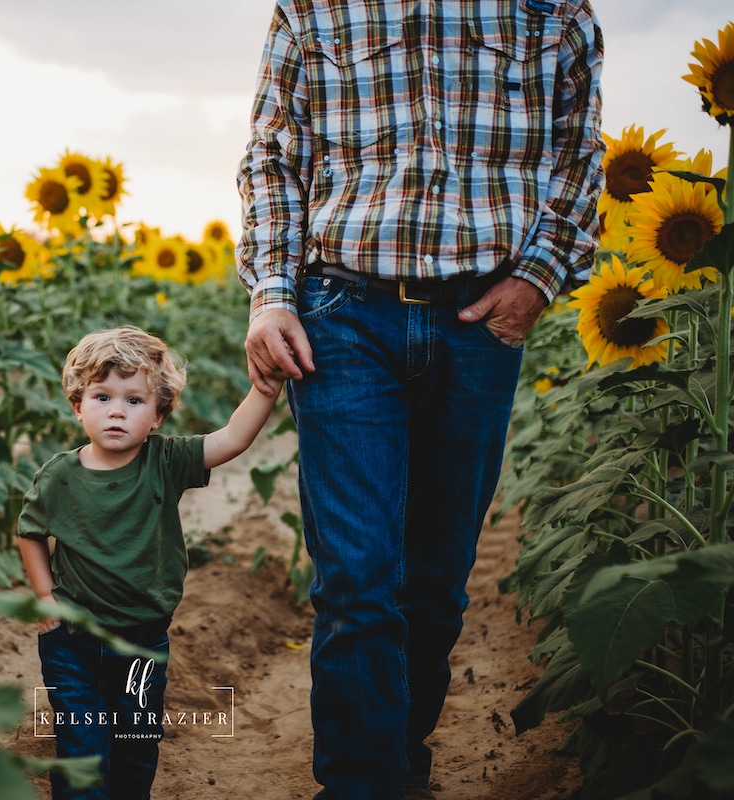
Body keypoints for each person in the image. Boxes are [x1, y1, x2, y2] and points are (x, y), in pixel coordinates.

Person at [236, 1, 604, 798]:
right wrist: (272, 293)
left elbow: (579, 153)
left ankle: (398, 761)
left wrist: (539, 277)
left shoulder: (555, 9)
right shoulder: (312, 8)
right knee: (358, 578)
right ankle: (363, 785)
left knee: (434, 583)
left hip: (481, 322)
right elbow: (272, 157)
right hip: (343, 315)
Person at [18, 325, 282, 800]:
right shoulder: (59, 476)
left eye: (134, 401)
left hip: (143, 639)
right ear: (78, 407)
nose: (116, 410)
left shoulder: (165, 461)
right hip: (73, 641)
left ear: (159, 414)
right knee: (82, 750)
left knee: (136, 747)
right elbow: (31, 533)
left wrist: (267, 386)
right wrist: (44, 601)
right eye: (102, 396)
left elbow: (233, 439)